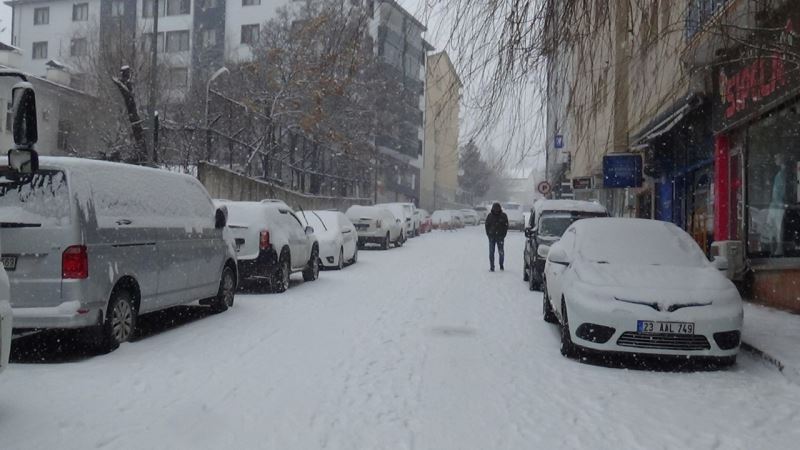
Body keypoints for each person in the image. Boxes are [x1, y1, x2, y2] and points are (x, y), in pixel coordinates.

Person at [484, 202, 509, 271]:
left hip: (500, 237)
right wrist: (488, 234)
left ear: (500, 208)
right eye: (495, 208)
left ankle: (501, 265)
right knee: (491, 252)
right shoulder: (490, 216)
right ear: (493, 208)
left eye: (497, 208)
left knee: (501, 252)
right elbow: (486, 225)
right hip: (492, 237)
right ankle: (492, 267)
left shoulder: (503, 216)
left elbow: (506, 226)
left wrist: (503, 235)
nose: (496, 210)